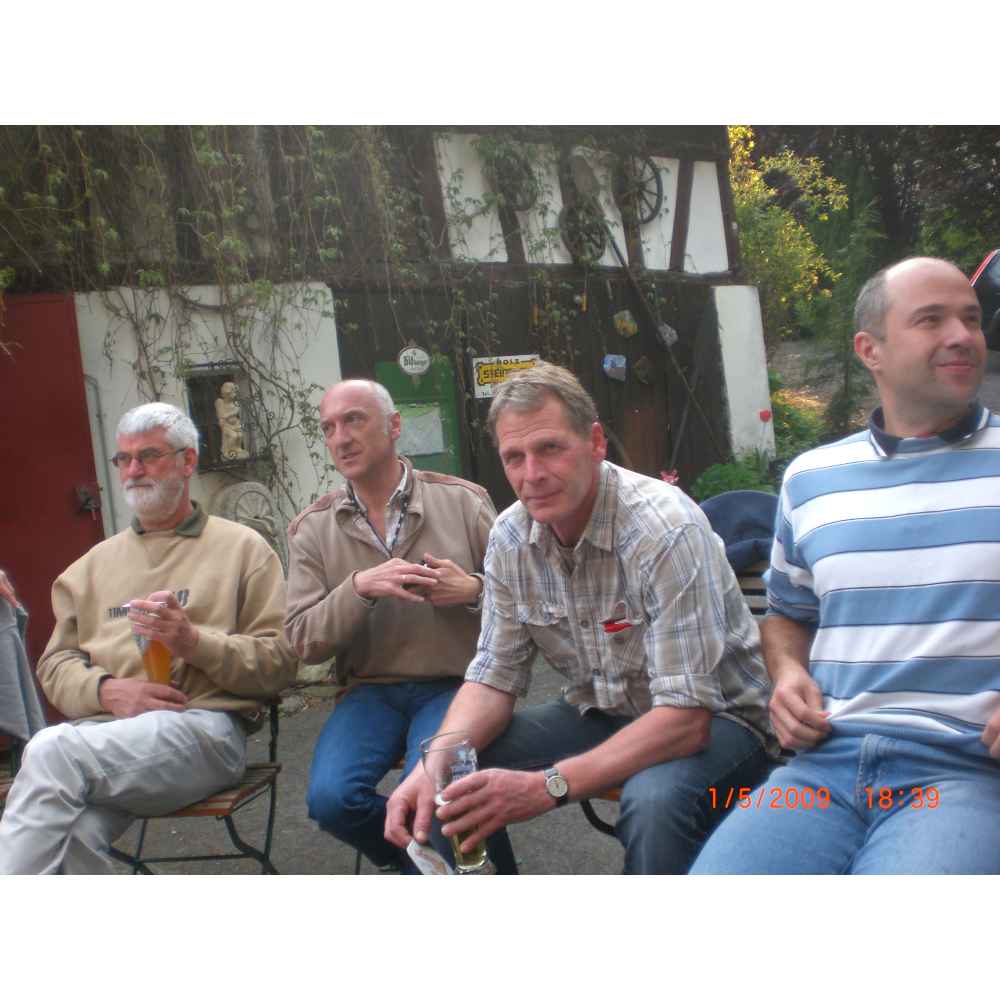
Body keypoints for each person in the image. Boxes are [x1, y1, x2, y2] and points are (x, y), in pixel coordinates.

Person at [385, 361, 776, 874]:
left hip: (722, 722)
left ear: (595, 442)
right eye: (514, 457)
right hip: (605, 711)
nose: (532, 474)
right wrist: (435, 761)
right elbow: (493, 675)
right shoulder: (511, 537)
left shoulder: (664, 528)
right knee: (446, 782)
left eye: (550, 448)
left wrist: (547, 786)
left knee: (653, 804)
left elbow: (685, 720)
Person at [692, 256, 1000, 875]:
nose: (962, 335)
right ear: (870, 350)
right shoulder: (811, 478)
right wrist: (786, 676)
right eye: (931, 320)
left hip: (962, 771)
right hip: (823, 768)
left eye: (971, 319)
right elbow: (787, 616)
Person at [0, 402, 298, 874]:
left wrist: (193, 642)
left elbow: (280, 663)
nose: (133, 470)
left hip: (206, 728)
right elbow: (56, 664)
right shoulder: (90, 567)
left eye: (149, 456)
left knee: (51, 749)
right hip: (107, 735)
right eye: (124, 458)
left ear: (188, 460)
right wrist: (106, 691)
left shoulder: (243, 550)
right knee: (71, 836)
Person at [284, 379, 508, 872]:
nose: (340, 437)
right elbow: (303, 641)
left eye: (354, 420)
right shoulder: (313, 528)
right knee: (330, 799)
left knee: (436, 791)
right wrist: (358, 588)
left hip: (456, 685)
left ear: (394, 426)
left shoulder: (463, 501)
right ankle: (420, 865)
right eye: (328, 428)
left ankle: (443, 861)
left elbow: (525, 599)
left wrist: (472, 589)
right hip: (370, 691)